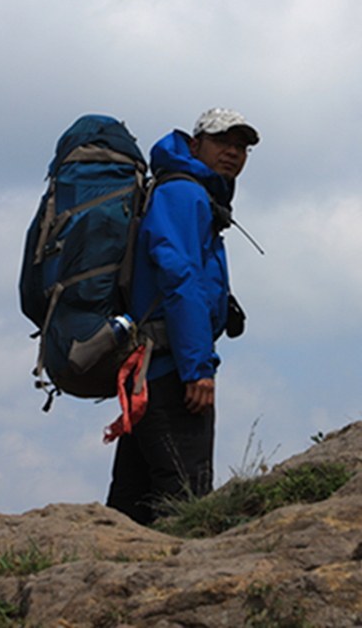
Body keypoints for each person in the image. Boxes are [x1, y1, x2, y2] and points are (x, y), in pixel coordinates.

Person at [106, 107, 259, 525]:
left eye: (242, 146)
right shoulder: (183, 193)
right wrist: (197, 369)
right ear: (195, 145)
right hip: (170, 372)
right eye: (222, 141)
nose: (233, 152)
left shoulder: (189, 192)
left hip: (150, 369)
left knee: (133, 505)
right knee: (186, 501)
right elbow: (180, 278)